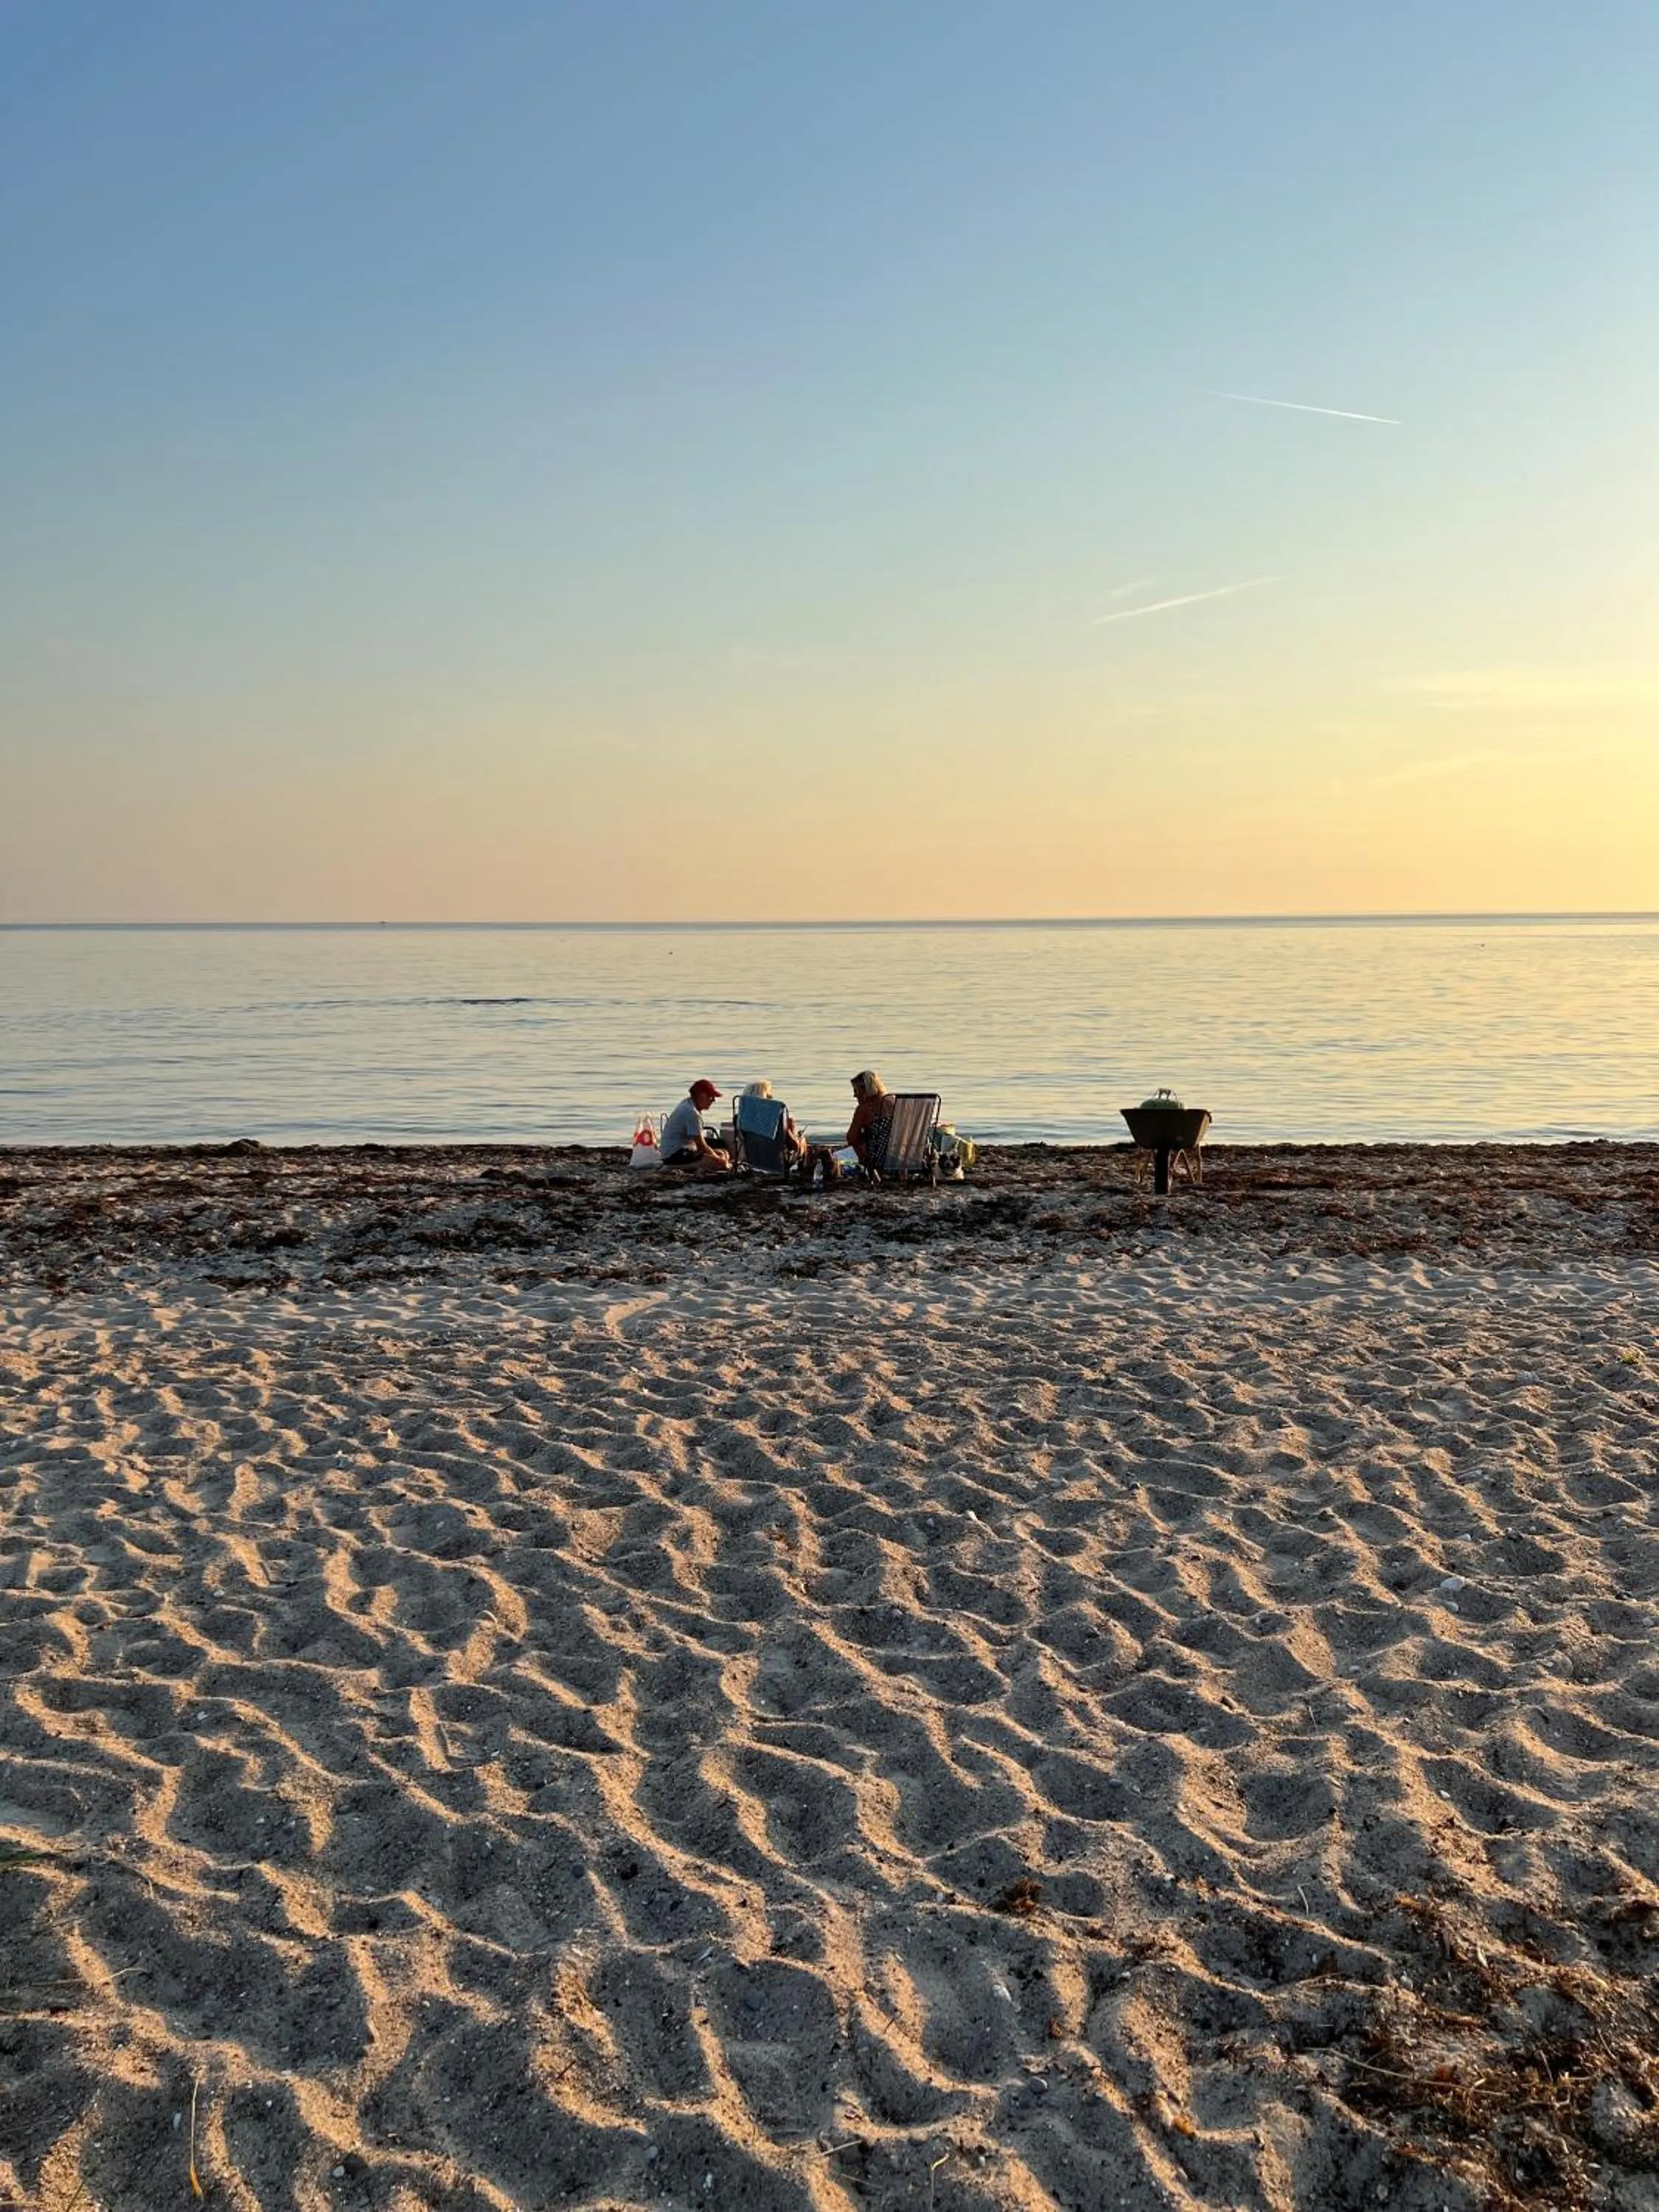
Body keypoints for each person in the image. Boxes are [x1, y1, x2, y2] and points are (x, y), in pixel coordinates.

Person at [660, 1078, 730, 1170]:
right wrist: (719, 1161)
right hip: (675, 1156)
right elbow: (701, 1146)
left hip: (682, 1150)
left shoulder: (687, 1103)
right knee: (723, 1164)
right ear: (701, 1095)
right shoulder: (691, 1112)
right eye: (711, 1097)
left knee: (723, 1152)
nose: (713, 1100)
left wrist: (717, 1156)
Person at [740, 1080, 808, 1167]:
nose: (772, 1097)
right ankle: (805, 1168)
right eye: (768, 1095)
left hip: (754, 1161)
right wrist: (791, 1131)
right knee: (802, 1140)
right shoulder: (779, 1120)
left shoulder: (741, 1119)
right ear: (763, 1099)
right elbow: (793, 1147)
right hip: (778, 1162)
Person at [846, 1068, 889, 1166]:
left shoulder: (864, 1109)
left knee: (857, 1141)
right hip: (904, 1158)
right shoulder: (894, 1102)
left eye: (856, 1090)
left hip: (879, 1160)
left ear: (864, 1090)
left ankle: (868, 1167)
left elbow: (851, 1138)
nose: (854, 1095)